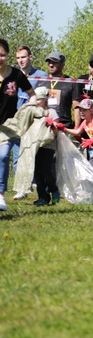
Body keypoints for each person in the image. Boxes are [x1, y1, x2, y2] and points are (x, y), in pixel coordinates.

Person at [0, 38, 35, 210]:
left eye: (2, 55)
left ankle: (0, 194)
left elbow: (32, 94)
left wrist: (28, 109)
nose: (0, 58)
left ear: (7, 56)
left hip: (8, 125)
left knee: (4, 156)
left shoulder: (16, 75)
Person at [12, 45, 43, 177]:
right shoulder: (11, 75)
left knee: (34, 153)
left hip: (34, 121)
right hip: (15, 120)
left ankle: (35, 182)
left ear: (30, 57)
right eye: (18, 58)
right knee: (17, 153)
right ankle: (20, 186)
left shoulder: (42, 76)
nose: (21, 60)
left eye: (23, 57)